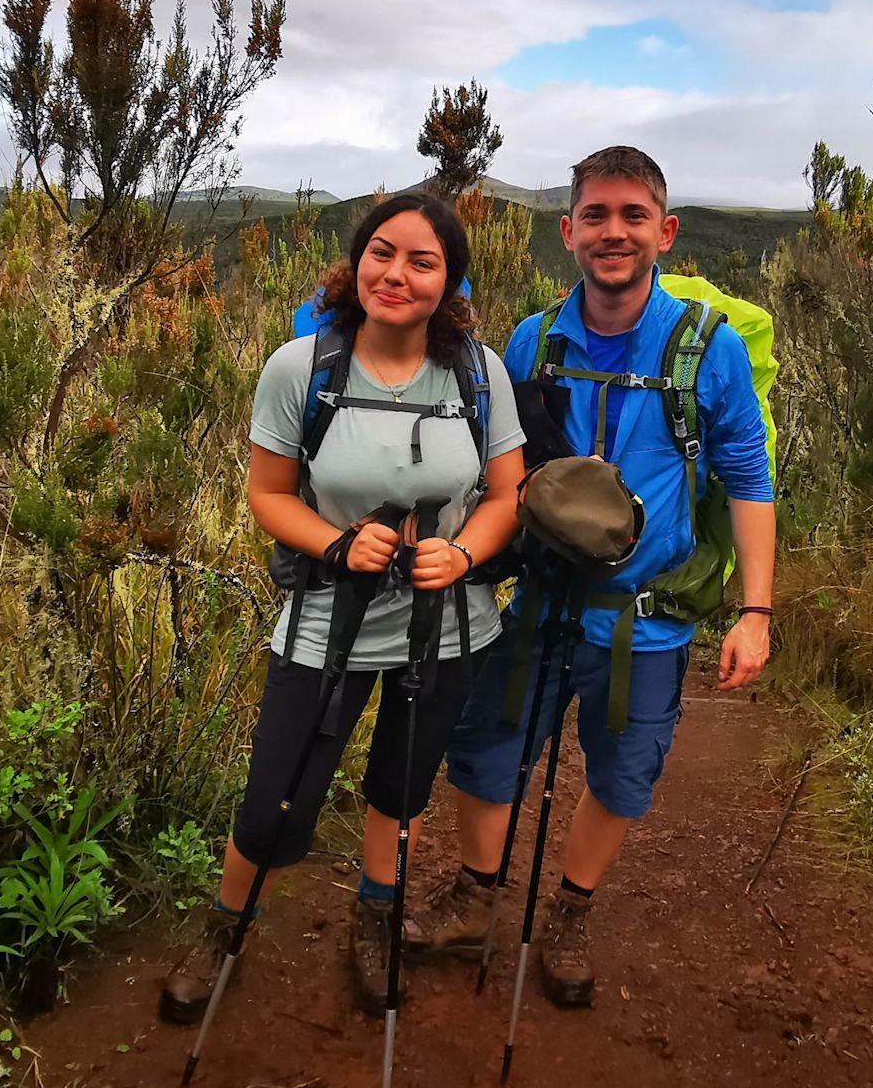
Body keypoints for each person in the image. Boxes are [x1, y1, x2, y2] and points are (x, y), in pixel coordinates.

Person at [409, 146, 775, 1006]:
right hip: (540, 602)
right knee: (485, 749)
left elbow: (751, 478)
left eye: (633, 216)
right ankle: (476, 895)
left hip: (645, 622)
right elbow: (502, 470)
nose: (615, 233)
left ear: (666, 233)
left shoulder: (707, 352)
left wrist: (755, 609)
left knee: (622, 773)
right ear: (568, 231)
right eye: (598, 216)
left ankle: (571, 909)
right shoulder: (535, 341)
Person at [160, 193, 526, 1024]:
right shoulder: (303, 366)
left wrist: (464, 552)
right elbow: (268, 493)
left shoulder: (478, 370)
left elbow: (508, 493)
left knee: (401, 786)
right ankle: (228, 925)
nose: (396, 274)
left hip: (448, 621)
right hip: (329, 616)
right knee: (275, 788)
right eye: (382, 253)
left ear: (451, 280)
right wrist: (334, 543)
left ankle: (376, 913)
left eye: (422, 261)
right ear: (356, 260)